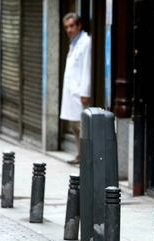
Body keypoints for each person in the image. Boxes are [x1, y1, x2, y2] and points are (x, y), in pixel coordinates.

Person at [60, 12, 91, 165]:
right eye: (67, 27)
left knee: (82, 126)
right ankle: (79, 155)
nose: (69, 30)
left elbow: (87, 68)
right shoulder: (74, 43)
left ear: (79, 26)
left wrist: (85, 92)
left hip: (80, 93)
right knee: (74, 126)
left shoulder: (86, 42)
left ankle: (85, 157)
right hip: (72, 92)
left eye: (72, 26)